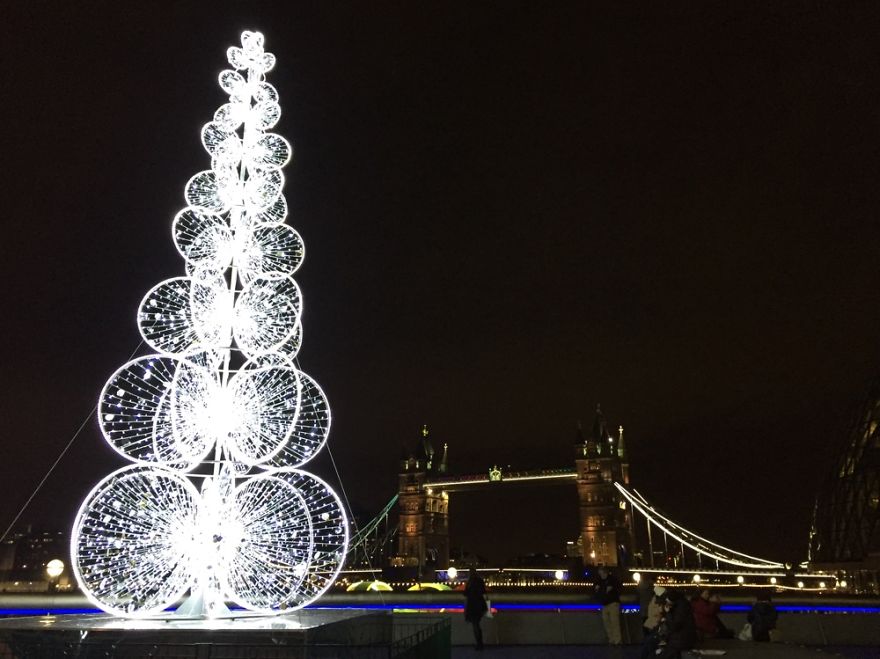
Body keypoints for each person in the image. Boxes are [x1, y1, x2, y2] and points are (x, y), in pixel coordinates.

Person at [654, 589, 696, 659]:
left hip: (682, 639)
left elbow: (674, 626)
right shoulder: (680, 604)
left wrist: (668, 613)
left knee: (663, 653)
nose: (666, 602)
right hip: (681, 637)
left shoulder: (681, 607)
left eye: (667, 600)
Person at [592, 566, 622, 645]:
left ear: (605, 573)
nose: (601, 575)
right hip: (605, 603)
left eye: (601, 573)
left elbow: (603, 590)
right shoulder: (600, 580)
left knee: (614, 622)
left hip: (612, 603)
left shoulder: (612, 580)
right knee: (607, 623)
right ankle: (612, 639)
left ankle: (617, 640)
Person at [463, 567, 488, 651]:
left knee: (475, 625)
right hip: (480, 605)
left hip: (472, 606)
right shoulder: (480, 581)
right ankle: (480, 643)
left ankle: (479, 644)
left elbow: (465, 594)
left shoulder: (469, 582)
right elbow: (484, 592)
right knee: (477, 624)